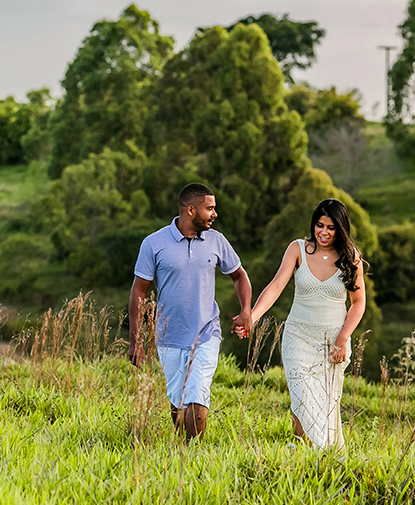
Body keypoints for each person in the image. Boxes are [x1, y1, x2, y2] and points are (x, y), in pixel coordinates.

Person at [239, 198, 366, 451]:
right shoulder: (298, 249)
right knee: (301, 398)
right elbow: (276, 286)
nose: (323, 232)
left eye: (330, 227)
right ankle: (309, 453)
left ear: (340, 229)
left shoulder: (351, 258)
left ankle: (314, 456)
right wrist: (252, 317)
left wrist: (341, 340)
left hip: (333, 343)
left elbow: (358, 303)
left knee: (325, 404)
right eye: (319, 225)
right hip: (298, 338)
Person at [129, 183, 252, 441]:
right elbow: (139, 292)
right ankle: (183, 454)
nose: (215, 214)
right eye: (210, 209)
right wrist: (136, 340)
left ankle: (193, 453)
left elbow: (239, 275)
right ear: (191, 210)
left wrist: (245, 310)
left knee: (196, 403)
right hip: (169, 337)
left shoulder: (217, 241)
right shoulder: (154, 243)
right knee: (179, 405)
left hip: (207, 333)